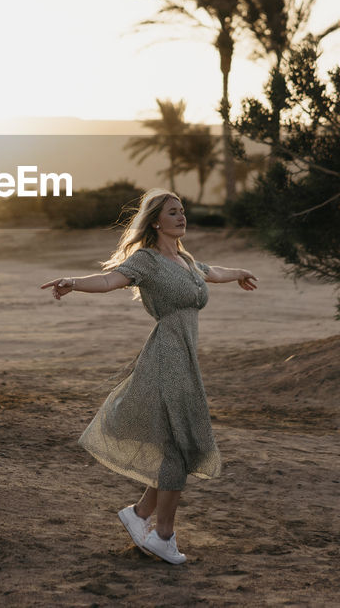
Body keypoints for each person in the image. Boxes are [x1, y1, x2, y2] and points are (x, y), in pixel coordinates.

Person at [40, 189, 258, 564]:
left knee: (181, 445)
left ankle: (142, 514)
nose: (181, 217)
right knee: (179, 446)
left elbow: (211, 273)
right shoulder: (147, 260)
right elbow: (111, 281)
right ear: (156, 220)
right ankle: (162, 535)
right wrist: (74, 282)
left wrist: (237, 273)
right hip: (166, 358)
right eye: (173, 212)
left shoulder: (185, 259)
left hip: (186, 361)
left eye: (183, 211)